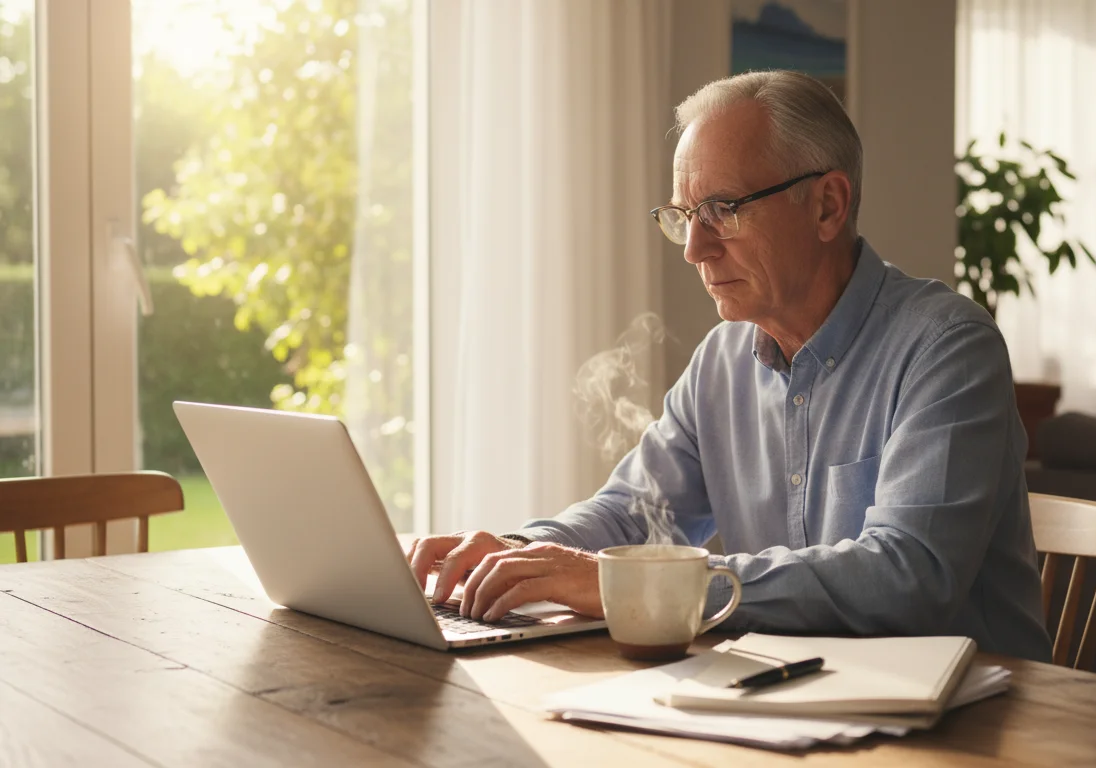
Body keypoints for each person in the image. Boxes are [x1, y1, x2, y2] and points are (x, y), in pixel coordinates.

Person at [408, 70, 1052, 661]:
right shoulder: (722, 361)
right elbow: (634, 513)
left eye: (723, 209)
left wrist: (628, 583)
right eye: (684, 215)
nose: (694, 248)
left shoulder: (946, 347)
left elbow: (910, 577)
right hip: (799, 693)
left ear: (828, 205)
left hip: (974, 722)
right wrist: (517, 553)